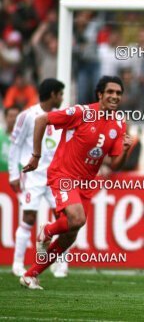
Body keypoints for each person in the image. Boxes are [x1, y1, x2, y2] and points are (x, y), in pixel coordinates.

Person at [19, 76, 132, 290]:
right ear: (100, 94)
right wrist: (36, 156)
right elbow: (41, 120)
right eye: (110, 92)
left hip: (86, 183)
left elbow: (115, 165)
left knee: (71, 234)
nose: (115, 96)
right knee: (77, 219)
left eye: (118, 93)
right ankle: (47, 230)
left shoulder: (119, 123)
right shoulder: (82, 113)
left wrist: (125, 150)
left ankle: (30, 275)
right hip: (64, 174)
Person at [9, 79, 66, 278]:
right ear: (52, 95)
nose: (62, 98)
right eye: (60, 94)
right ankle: (17, 263)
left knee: (63, 219)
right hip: (32, 176)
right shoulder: (27, 116)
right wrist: (14, 174)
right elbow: (15, 145)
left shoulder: (61, 116)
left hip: (55, 177)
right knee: (29, 218)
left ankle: (60, 264)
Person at [0, 106, 21, 172]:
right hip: (2, 174)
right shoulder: (0, 134)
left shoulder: (25, 137)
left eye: (16, 116)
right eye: (11, 116)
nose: (13, 119)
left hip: (19, 175)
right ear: (5, 117)